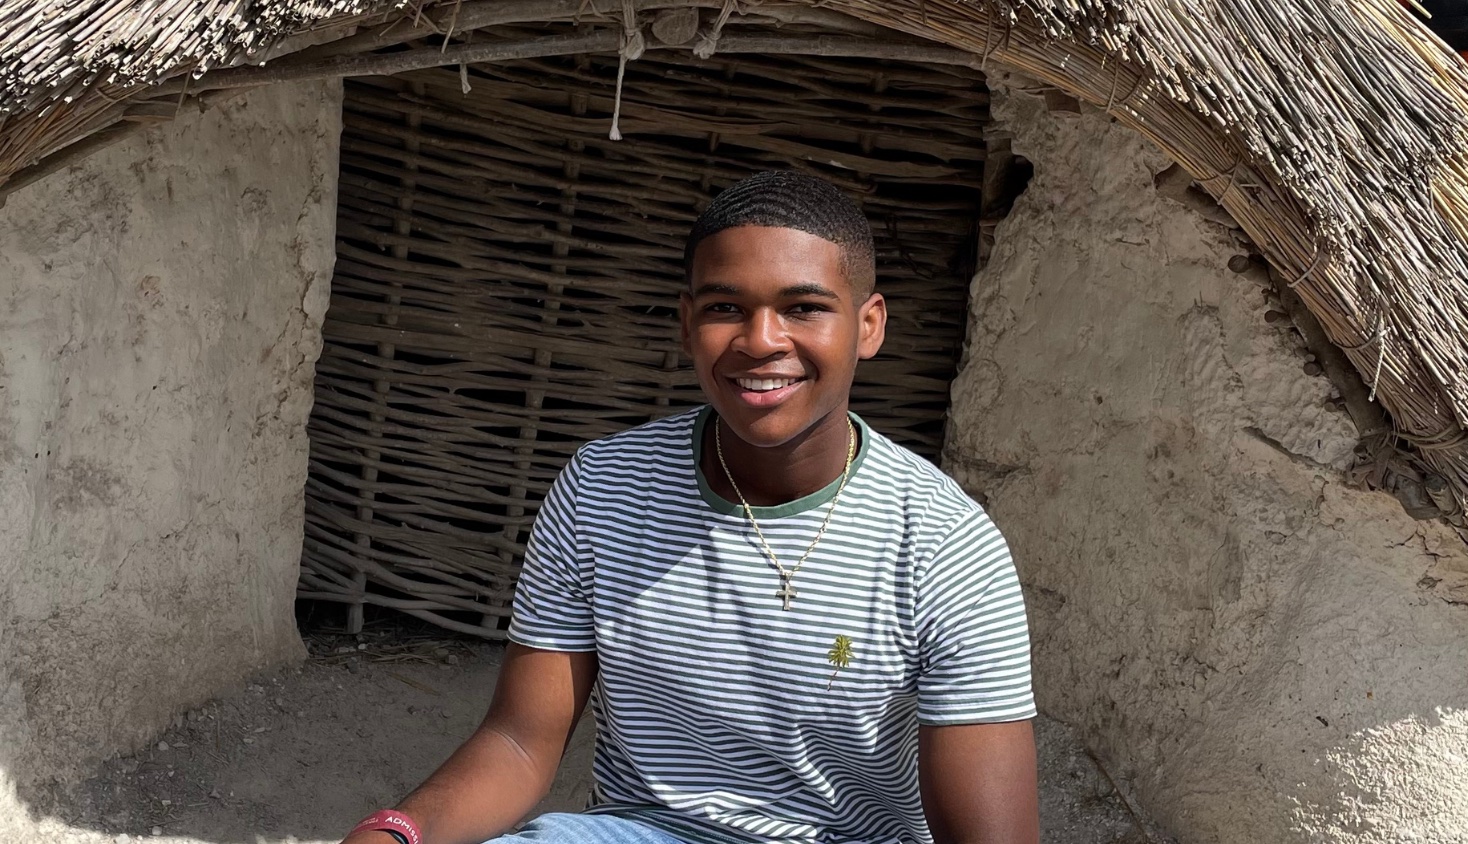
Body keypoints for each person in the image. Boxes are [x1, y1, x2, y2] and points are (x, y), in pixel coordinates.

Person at [341, 171, 1039, 844]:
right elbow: (520, 741)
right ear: (687, 324)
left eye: (804, 308)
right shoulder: (602, 490)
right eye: (725, 307)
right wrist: (398, 832)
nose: (761, 339)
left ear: (869, 325)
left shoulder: (947, 548)